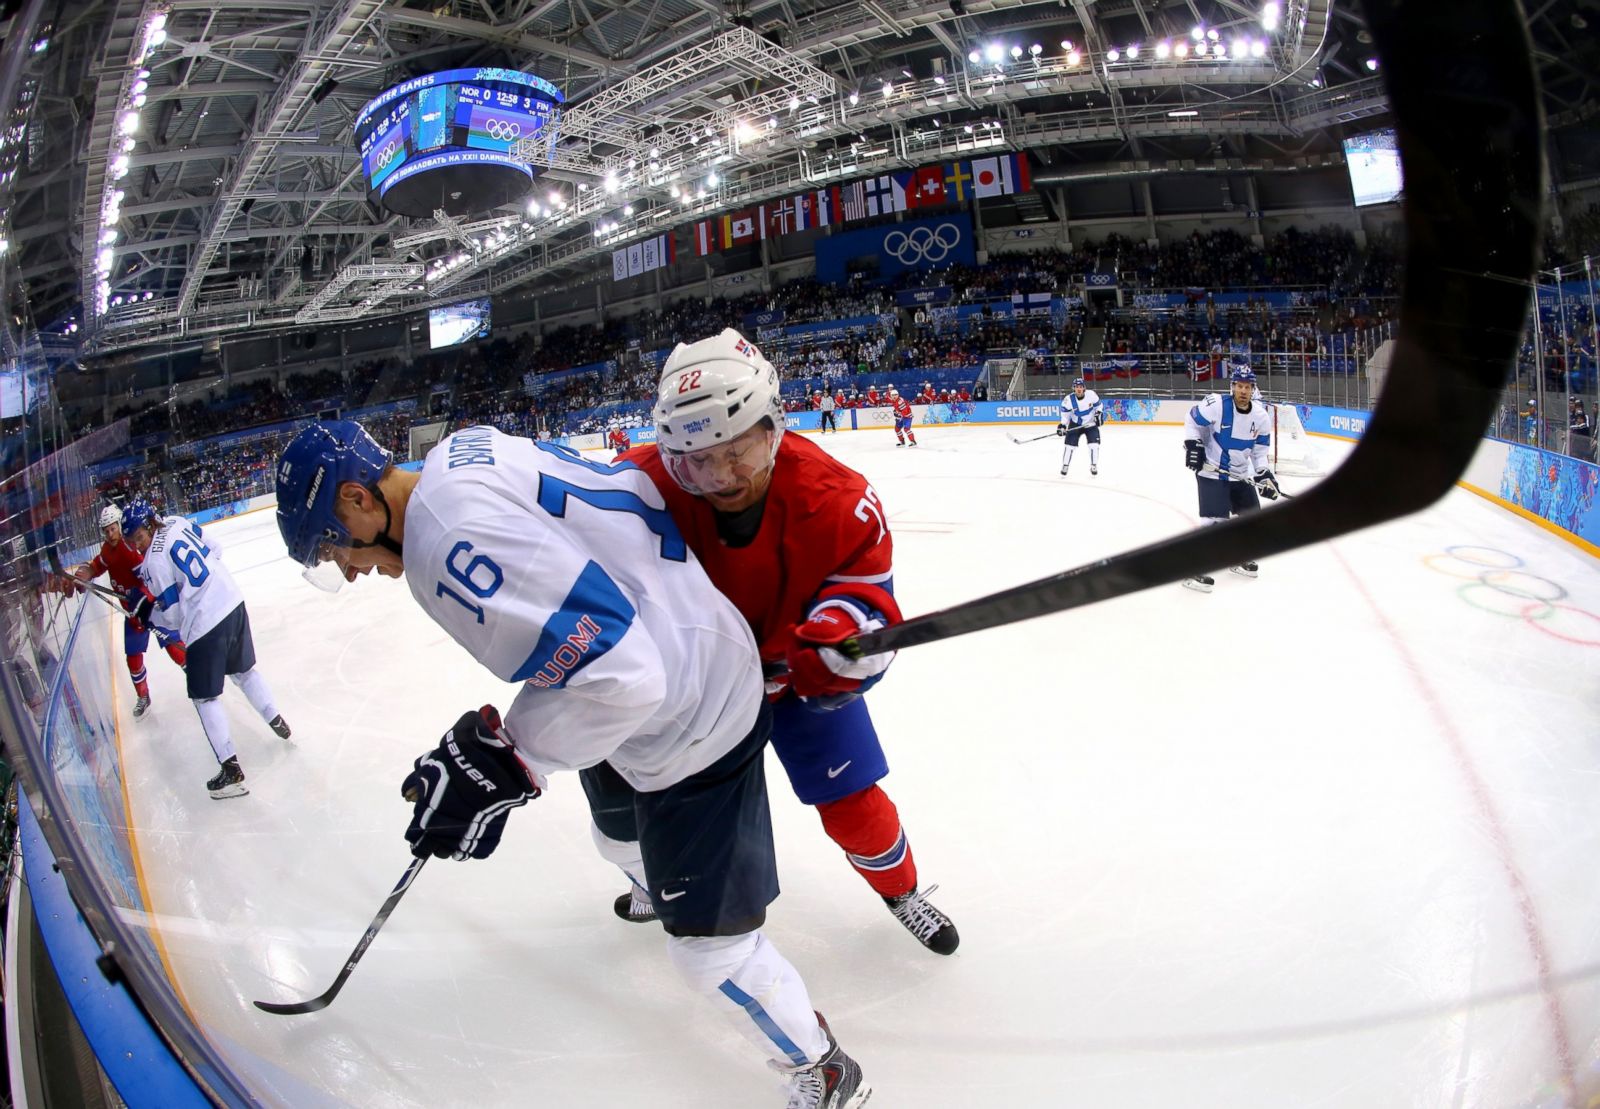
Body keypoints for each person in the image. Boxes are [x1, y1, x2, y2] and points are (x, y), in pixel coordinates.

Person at [273, 420, 871, 1109]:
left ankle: (824, 1069)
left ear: (356, 500)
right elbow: (591, 627)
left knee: (710, 954)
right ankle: (658, 883)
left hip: (692, 713)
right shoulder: (462, 451)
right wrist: (506, 750)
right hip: (672, 644)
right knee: (614, 833)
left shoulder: (441, 545)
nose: (347, 568)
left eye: (330, 545)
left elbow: (628, 677)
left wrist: (511, 758)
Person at [620, 329, 957, 955]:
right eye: (697, 460)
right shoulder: (634, 489)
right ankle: (648, 879)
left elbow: (864, 599)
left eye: (739, 450)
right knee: (649, 796)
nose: (722, 477)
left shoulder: (839, 499)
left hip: (792, 682)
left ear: (774, 424)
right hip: (692, 687)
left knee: (853, 802)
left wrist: (839, 639)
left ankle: (902, 891)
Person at [120, 499, 290, 798]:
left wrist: (148, 613)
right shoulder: (177, 521)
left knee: (204, 698)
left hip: (204, 624)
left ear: (148, 525)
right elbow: (216, 549)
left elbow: (171, 617)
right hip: (232, 602)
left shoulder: (152, 563)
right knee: (244, 671)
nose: (138, 546)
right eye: (133, 541)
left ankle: (232, 771)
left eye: (139, 538)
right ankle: (277, 720)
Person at [70, 504, 187, 718]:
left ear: (119, 525)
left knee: (172, 644)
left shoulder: (130, 549)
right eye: (106, 531)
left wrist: (143, 599)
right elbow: (98, 565)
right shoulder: (108, 549)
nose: (110, 534)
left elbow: (150, 578)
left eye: (112, 528)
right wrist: (85, 573)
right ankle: (143, 695)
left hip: (150, 610)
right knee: (133, 657)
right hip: (131, 615)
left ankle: (194, 672)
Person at [1181, 363, 1280, 593]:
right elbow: (1192, 420)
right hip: (1212, 470)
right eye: (1239, 386)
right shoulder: (1217, 405)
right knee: (1216, 520)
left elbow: (1259, 452)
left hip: (1239, 474)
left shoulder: (1261, 417)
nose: (1244, 391)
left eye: (1248, 386)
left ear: (1253, 389)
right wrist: (1193, 444)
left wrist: (1264, 475)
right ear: (1232, 386)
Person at [1056, 377, 1103, 477]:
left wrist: (1098, 414)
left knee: (1094, 445)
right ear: (1073, 388)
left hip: (1090, 424)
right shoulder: (1068, 400)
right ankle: (1065, 465)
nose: (1079, 389)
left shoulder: (1091, 395)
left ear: (1084, 388)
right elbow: (1065, 415)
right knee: (1069, 446)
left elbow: (1099, 406)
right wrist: (1063, 426)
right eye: (1077, 387)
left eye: (1081, 387)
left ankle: (1094, 465)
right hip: (1075, 424)